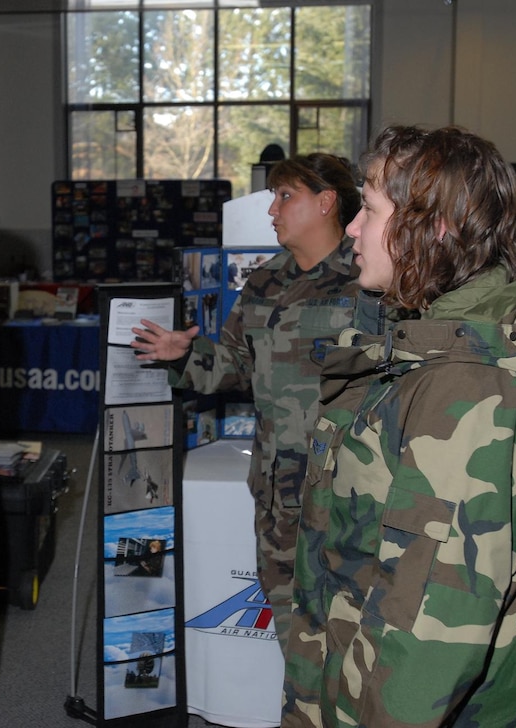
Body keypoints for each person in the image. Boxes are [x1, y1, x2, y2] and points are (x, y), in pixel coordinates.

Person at [286, 125, 516, 727]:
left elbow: (422, 649)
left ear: (435, 227)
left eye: (368, 210)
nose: (351, 228)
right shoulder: (429, 351)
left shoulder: (472, 393)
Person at [130, 153, 370, 726]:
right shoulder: (265, 280)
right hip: (278, 488)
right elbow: (232, 366)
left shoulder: (370, 281)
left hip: (349, 492)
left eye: (285, 195)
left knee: (356, 623)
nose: (273, 208)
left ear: (326, 200)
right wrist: (183, 355)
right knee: (289, 616)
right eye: (273, 196)